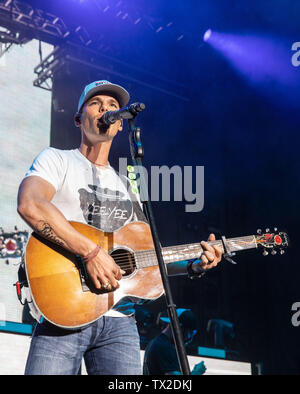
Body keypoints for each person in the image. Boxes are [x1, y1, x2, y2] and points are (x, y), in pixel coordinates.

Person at [17, 80, 222, 375]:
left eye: (113, 106)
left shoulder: (130, 185)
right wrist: (91, 252)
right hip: (64, 308)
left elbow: (144, 261)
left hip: (120, 323)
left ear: (121, 125)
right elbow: (31, 204)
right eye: (96, 103)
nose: (106, 110)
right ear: (78, 118)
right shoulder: (56, 160)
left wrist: (193, 266)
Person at [143, 308, 207, 375]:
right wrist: (196, 372)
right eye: (190, 333)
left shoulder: (156, 342)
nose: (189, 338)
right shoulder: (165, 347)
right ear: (180, 328)